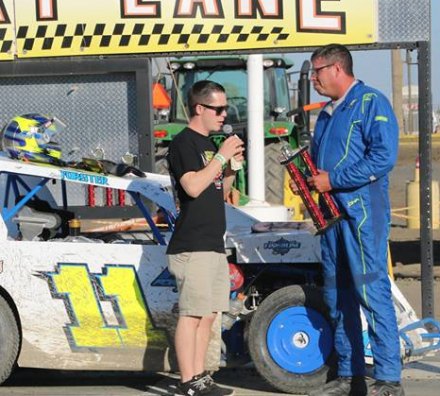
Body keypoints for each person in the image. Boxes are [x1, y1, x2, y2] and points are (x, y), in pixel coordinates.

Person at [301, 44, 404, 396]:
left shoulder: (371, 103)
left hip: (363, 216)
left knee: (371, 292)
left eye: (317, 71)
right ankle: (349, 374)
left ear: (337, 68)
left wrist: (333, 180)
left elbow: (383, 158)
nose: (313, 79)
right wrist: (308, 180)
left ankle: (389, 378)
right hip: (331, 219)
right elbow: (319, 164)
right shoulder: (328, 114)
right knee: (337, 295)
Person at [166, 80, 244, 396]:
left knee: (209, 315)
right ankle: (188, 381)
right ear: (200, 108)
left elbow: (218, 193)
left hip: (213, 244)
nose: (224, 114)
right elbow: (192, 188)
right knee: (192, 313)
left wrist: (230, 170)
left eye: (225, 108)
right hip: (192, 244)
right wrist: (221, 158)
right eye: (218, 108)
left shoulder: (211, 146)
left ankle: (199, 377)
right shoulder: (184, 143)